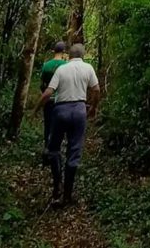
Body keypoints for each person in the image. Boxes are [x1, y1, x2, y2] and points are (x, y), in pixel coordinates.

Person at [34, 43, 100, 206]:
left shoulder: (62, 69)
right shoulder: (88, 68)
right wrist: (93, 107)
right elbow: (96, 89)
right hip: (79, 110)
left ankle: (57, 188)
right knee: (74, 150)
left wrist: (36, 109)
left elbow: (49, 92)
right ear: (82, 55)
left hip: (61, 110)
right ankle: (68, 195)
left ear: (68, 55)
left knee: (54, 148)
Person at [40, 41, 68, 156]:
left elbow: (42, 85)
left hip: (48, 100)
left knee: (48, 124)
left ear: (53, 51)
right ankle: (58, 149)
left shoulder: (46, 65)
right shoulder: (66, 66)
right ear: (64, 52)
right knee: (60, 126)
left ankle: (47, 147)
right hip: (61, 101)